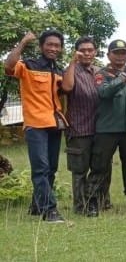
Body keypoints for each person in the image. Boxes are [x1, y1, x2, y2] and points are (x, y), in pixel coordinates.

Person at [4, 30, 67, 222]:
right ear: (41, 46)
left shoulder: (58, 70)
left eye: (57, 45)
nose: (53, 48)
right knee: (41, 168)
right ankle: (50, 210)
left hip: (54, 124)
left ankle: (36, 205)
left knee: (51, 169)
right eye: (50, 44)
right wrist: (23, 42)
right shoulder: (28, 65)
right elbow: (8, 66)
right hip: (35, 124)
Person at [87, 39, 126, 213]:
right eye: (116, 53)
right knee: (99, 167)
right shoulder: (101, 74)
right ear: (109, 55)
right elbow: (104, 93)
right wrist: (123, 77)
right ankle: (92, 203)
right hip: (106, 130)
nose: (121, 57)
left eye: (124, 53)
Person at [60, 36, 101, 216]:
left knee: (99, 168)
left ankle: (96, 203)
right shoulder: (71, 70)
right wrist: (72, 62)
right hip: (78, 129)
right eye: (82, 50)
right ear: (76, 51)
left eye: (90, 50)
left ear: (95, 52)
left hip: (100, 129)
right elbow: (67, 88)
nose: (86, 53)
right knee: (79, 171)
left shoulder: (99, 71)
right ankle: (79, 206)